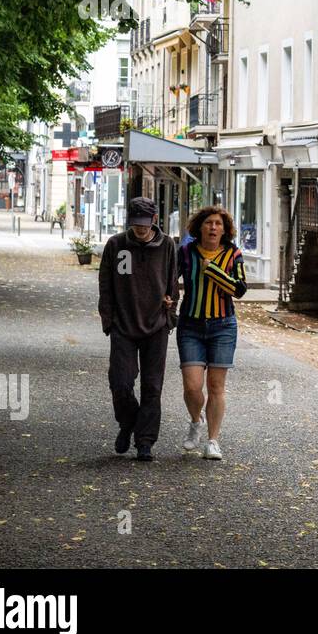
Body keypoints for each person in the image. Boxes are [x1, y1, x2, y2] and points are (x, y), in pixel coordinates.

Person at [98, 196, 178, 461]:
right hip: (123, 326)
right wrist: (108, 320)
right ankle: (128, 422)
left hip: (156, 326)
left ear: (154, 220)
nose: (140, 229)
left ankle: (145, 442)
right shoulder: (116, 245)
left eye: (144, 223)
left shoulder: (167, 246)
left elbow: (172, 285)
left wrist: (170, 313)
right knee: (120, 383)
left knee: (152, 387)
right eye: (135, 224)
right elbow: (105, 284)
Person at [175, 205, 247, 460]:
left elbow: (239, 289)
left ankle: (213, 440)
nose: (213, 228)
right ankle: (196, 420)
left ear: (225, 229)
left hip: (223, 326)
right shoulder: (185, 251)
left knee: (216, 386)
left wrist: (213, 270)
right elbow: (171, 280)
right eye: (209, 223)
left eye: (218, 224)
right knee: (192, 386)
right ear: (200, 227)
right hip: (190, 325)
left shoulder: (233, 254)